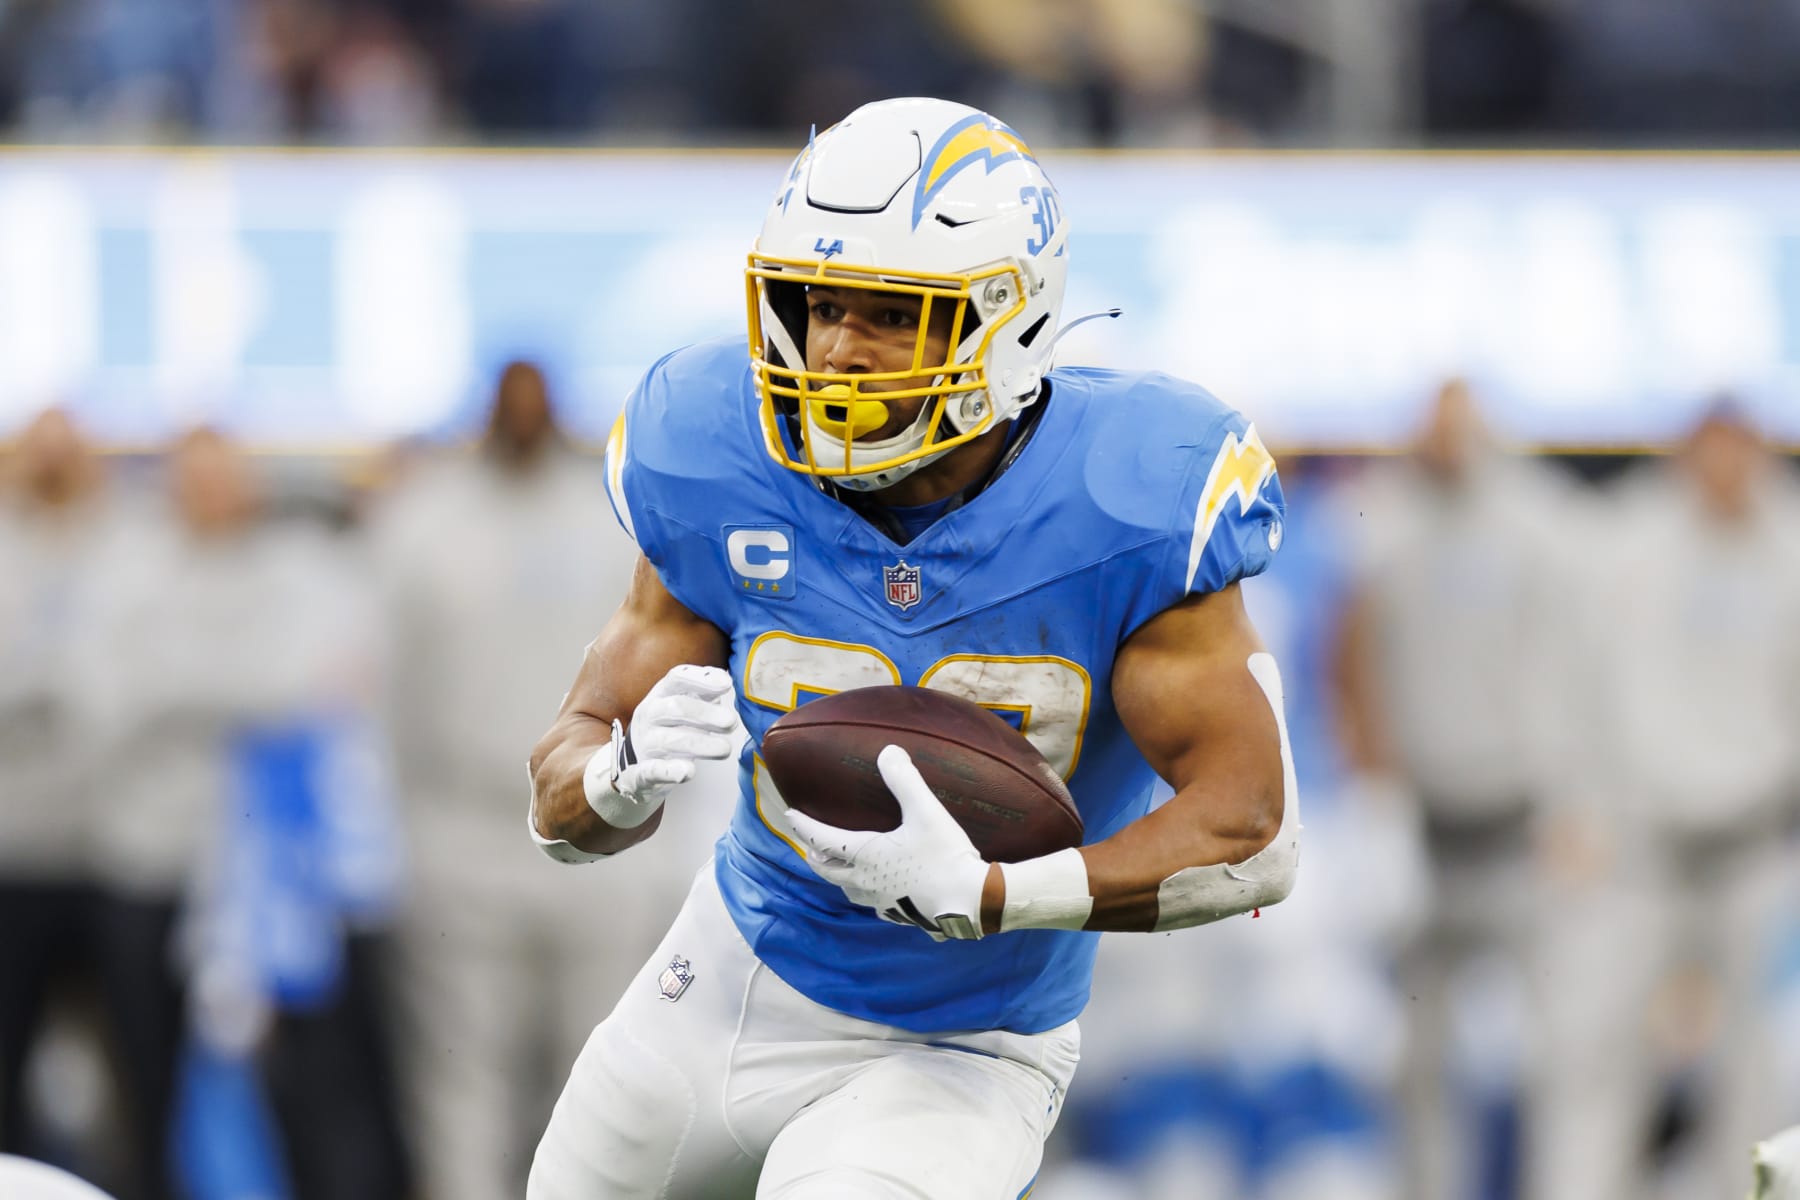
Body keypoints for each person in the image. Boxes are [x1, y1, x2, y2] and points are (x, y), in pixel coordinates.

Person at [525, 96, 1299, 1199]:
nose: (838, 349)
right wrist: (618, 775)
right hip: (732, 973)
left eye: (890, 314)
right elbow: (558, 813)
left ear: (1007, 320)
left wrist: (998, 891)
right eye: (819, 305)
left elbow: (1253, 837)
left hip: (965, 1046)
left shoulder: (1132, 492)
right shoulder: (710, 447)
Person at [374, 360, 731, 1200]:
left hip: (609, 832)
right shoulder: (423, 523)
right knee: (462, 1083)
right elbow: (387, 704)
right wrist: (403, 842)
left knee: (607, 1075)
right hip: (464, 832)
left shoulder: (612, 519)